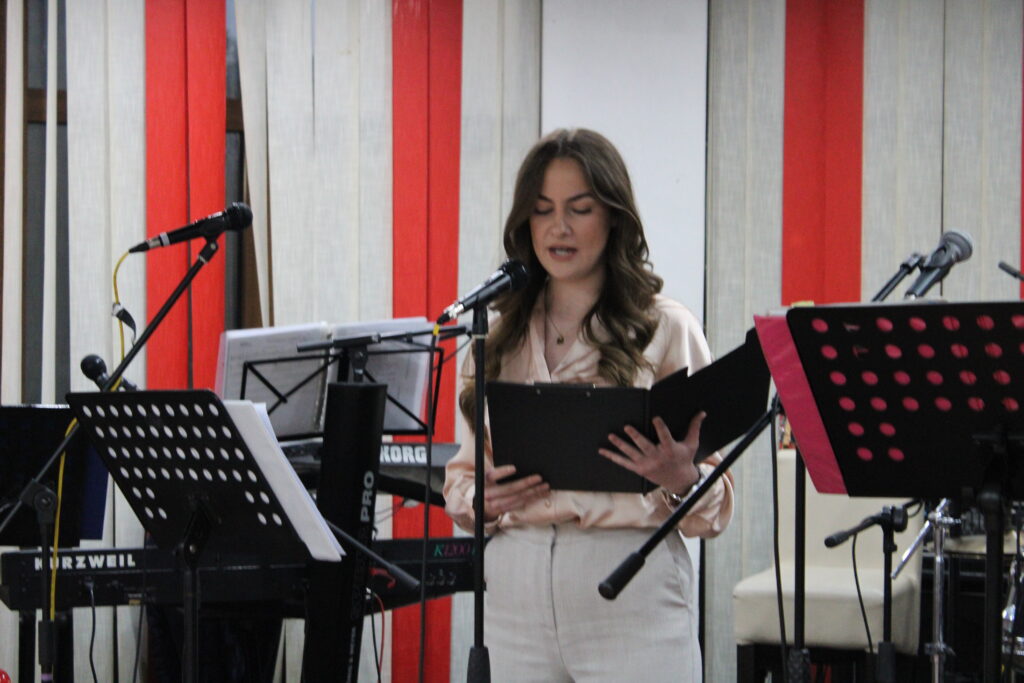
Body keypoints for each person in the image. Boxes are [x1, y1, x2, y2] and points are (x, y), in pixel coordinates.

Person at [443, 128, 733, 682]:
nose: (560, 227)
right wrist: (484, 500)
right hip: (514, 591)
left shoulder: (666, 327)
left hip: (628, 587)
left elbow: (714, 504)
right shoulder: (496, 338)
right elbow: (461, 482)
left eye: (579, 209)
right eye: (542, 210)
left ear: (614, 218)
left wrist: (681, 478)